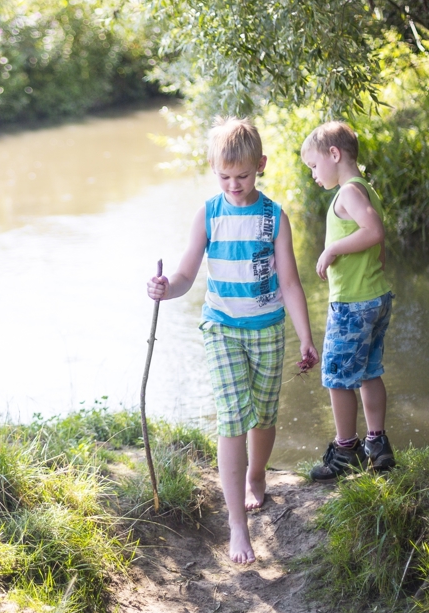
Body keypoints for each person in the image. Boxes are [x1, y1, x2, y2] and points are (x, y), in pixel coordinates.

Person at [147, 117, 318, 565]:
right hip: (221, 326)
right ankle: (237, 528)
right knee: (232, 416)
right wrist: (167, 288)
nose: (234, 184)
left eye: (242, 176)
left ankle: (256, 475)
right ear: (213, 168)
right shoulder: (208, 214)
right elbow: (186, 273)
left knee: (263, 414)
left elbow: (291, 282)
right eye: (225, 176)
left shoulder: (273, 217)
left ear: (259, 166)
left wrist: (305, 336)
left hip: (266, 328)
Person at [300, 120, 395, 481]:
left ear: (334, 154)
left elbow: (373, 231)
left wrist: (332, 249)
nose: (313, 174)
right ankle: (377, 443)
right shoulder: (367, 190)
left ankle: (345, 450)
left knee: (337, 378)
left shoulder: (348, 193)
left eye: (313, 165)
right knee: (370, 371)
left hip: (353, 303)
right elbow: (379, 245)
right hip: (376, 296)